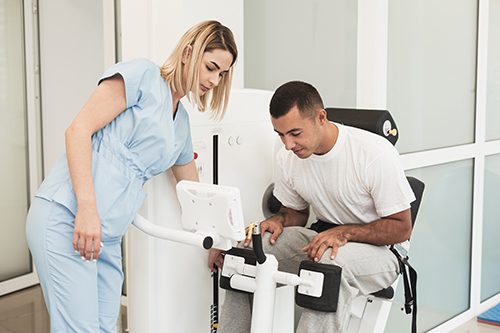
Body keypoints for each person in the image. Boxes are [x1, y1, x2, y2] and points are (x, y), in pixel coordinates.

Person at [26, 20, 237, 333]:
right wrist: (86, 209)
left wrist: (219, 239)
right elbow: (77, 131)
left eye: (222, 74)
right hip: (67, 217)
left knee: (104, 328)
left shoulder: (181, 124)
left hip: (107, 237)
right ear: (188, 53)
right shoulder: (142, 76)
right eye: (211, 67)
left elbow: (193, 192)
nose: (214, 80)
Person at [209, 81, 415, 332]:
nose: (288, 144)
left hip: (382, 252)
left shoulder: (373, 154)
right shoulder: (288, 155)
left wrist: (344, 233)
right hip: (323, 238)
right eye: (280, 135)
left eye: (295, 133)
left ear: (321, 117)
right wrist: (279, 221)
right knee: (248, 250)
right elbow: (295, 212)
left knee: (328, 266)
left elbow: (401, 228)